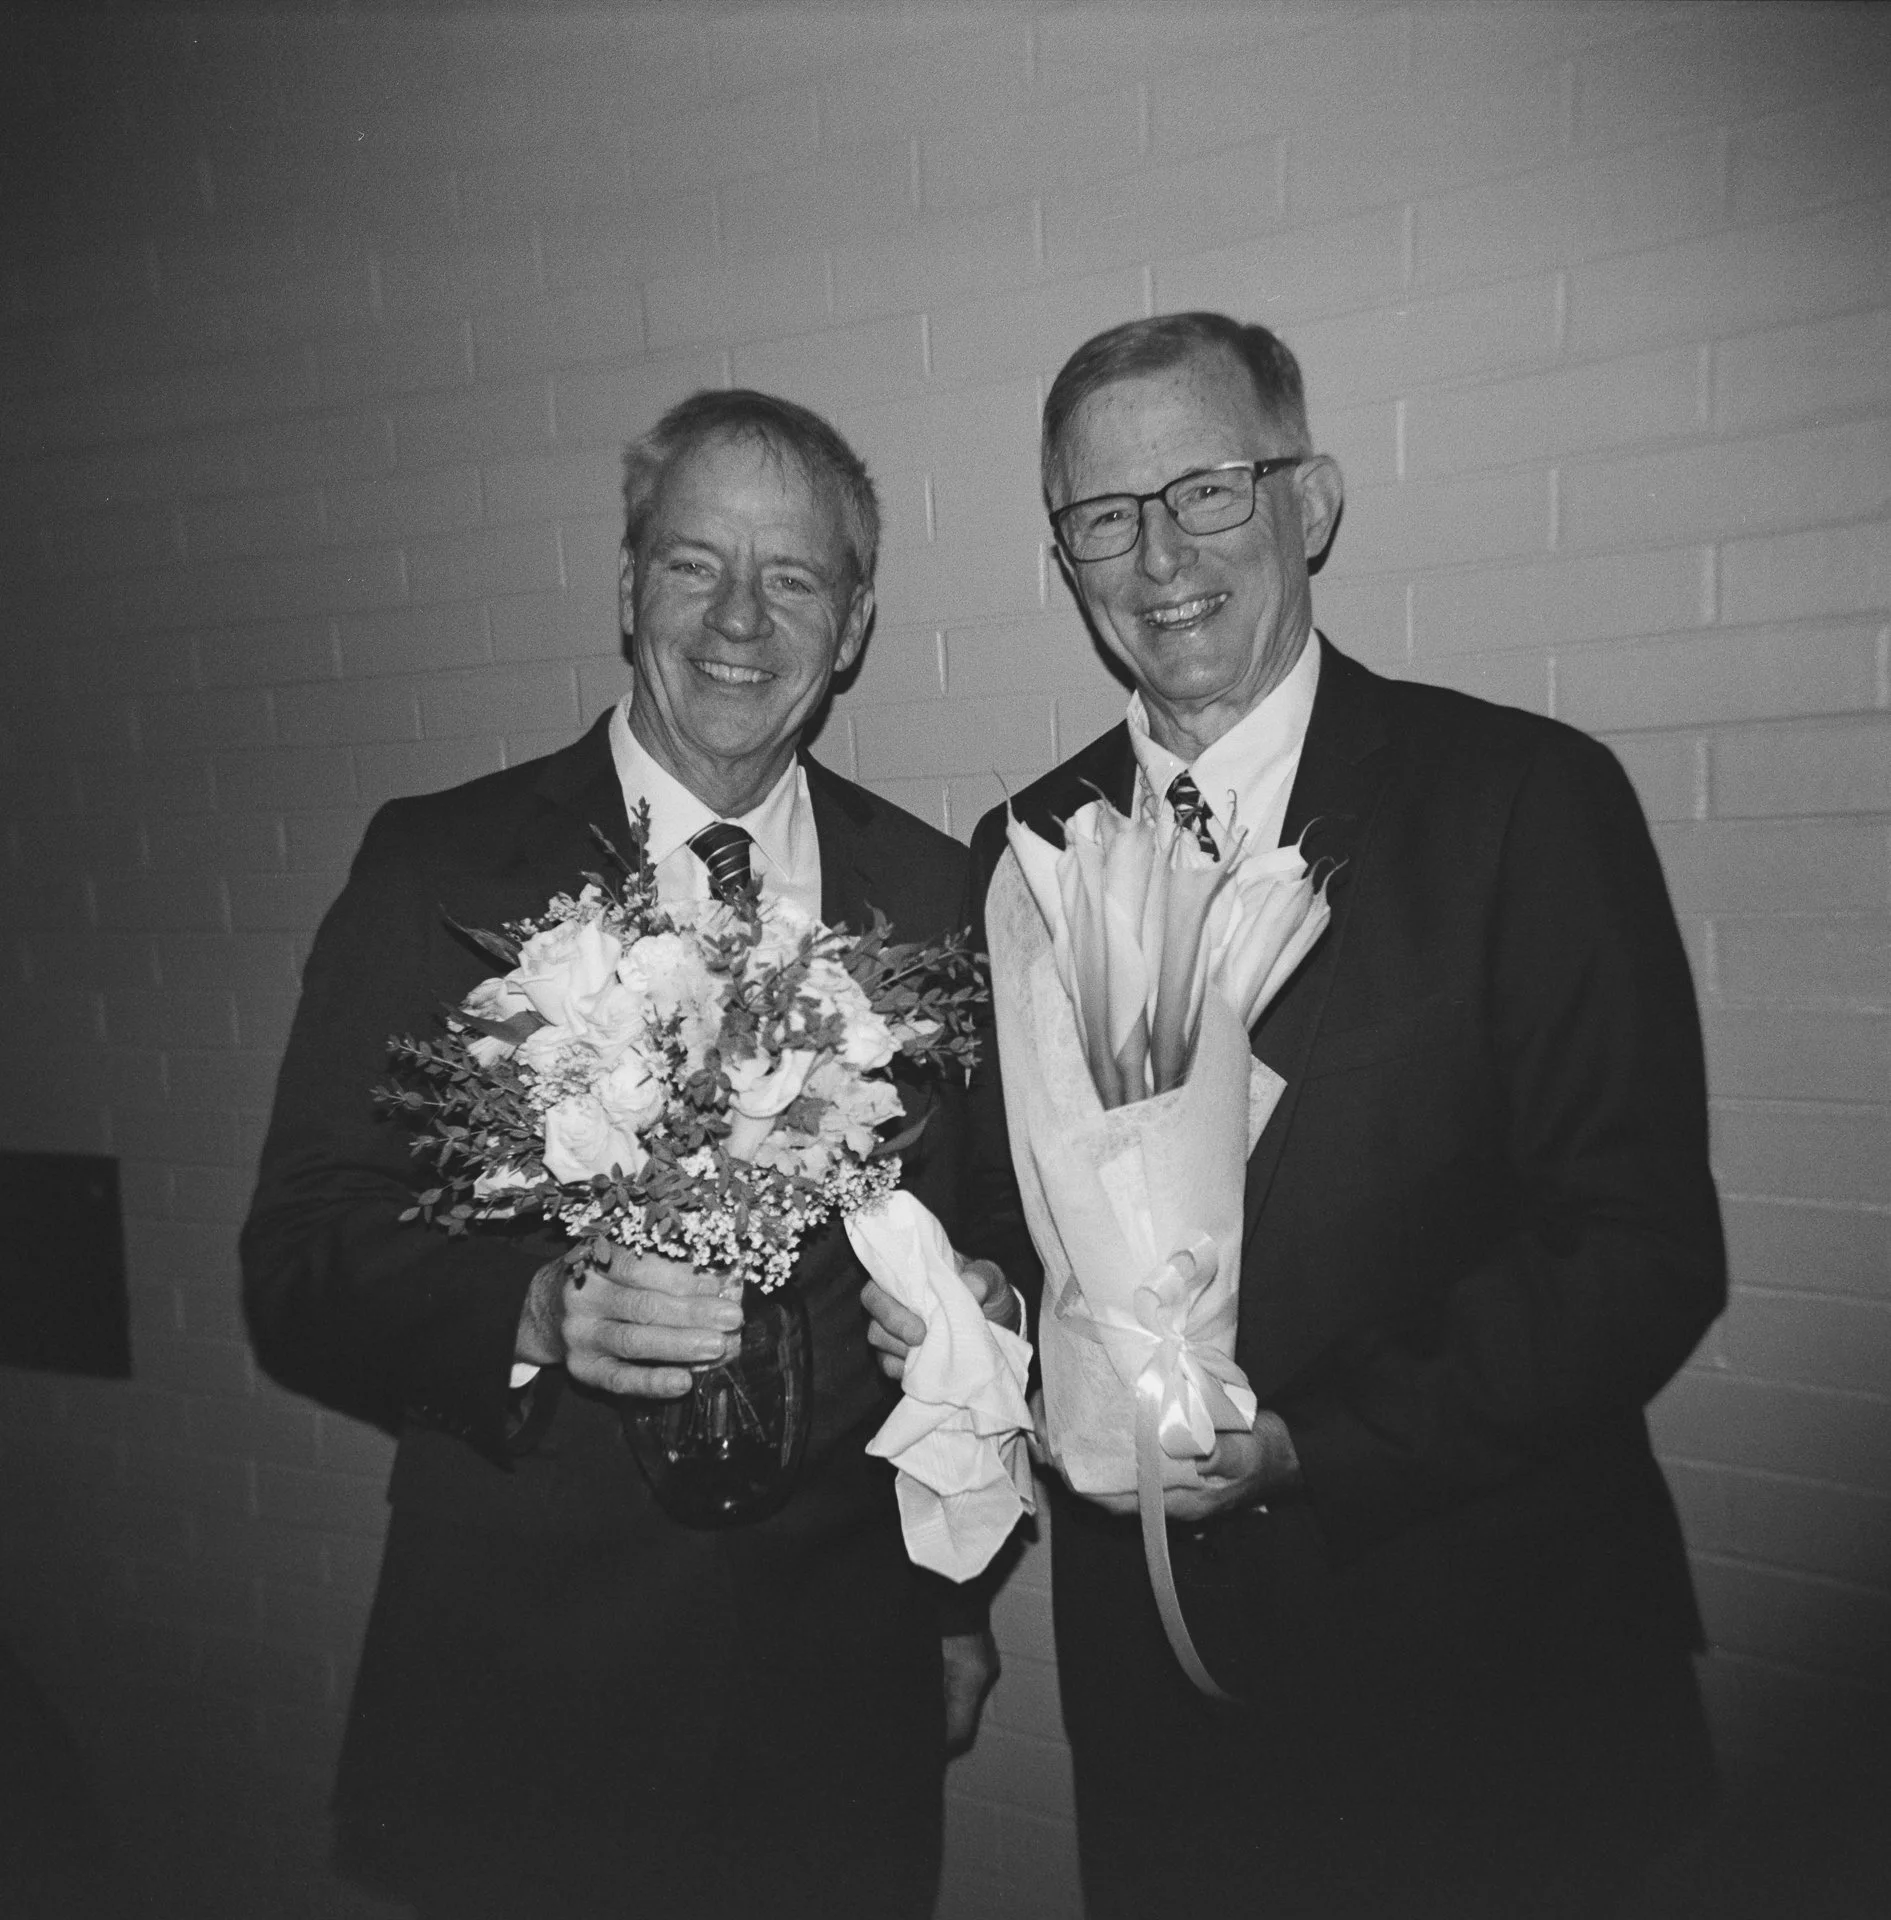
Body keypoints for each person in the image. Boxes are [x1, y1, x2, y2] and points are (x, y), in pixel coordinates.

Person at [959, 313, 1727, 1918]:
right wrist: (969, 1314)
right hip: (1165, 1723)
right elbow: (1007, 1215)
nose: (1158, 556)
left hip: (1489, 1687)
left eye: (1206, 490)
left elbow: (1638, 1251)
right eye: (1103, 515)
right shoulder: (1021, 847)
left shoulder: (1517, 799)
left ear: (1305, 503)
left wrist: (1309, 1449)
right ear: (1063, 555)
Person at [242, 390, 1011, 1920]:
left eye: (792, 578)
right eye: (693, 565)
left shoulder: (934, 892)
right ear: (625, 588)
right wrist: (531, 1310)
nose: (739, 620)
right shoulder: (440, 866)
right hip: (531, 1677)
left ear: (854, 624)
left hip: (835, 1688)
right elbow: (301, 1260)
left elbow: (983, 1249)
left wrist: (952, 1578)